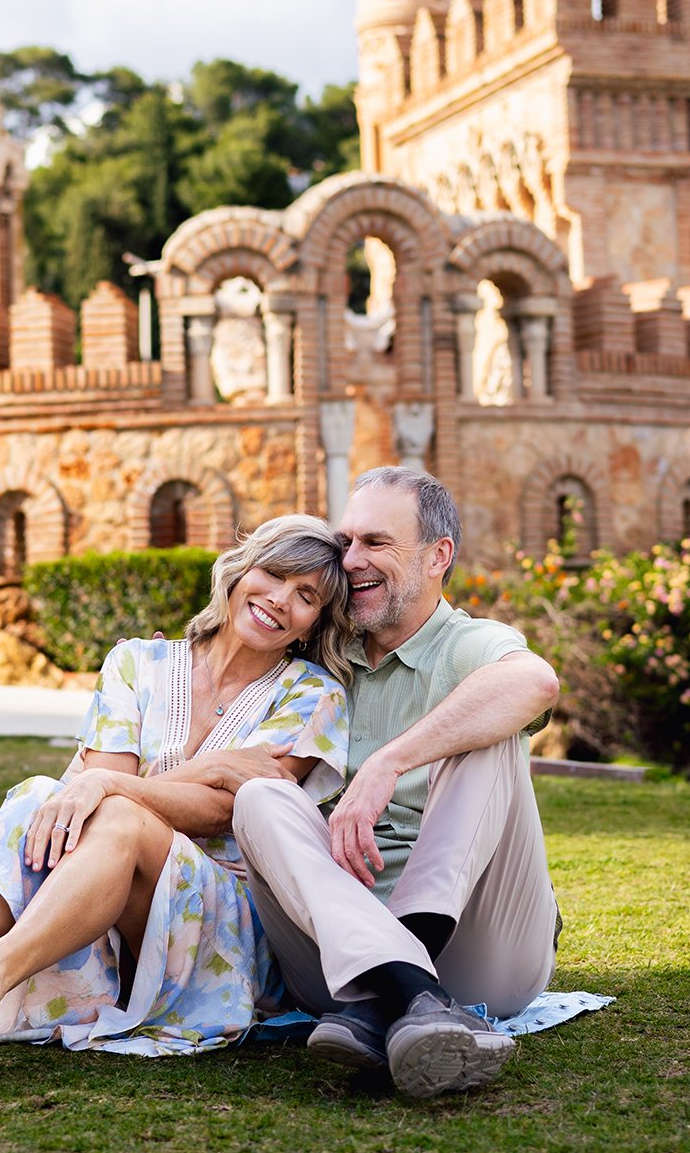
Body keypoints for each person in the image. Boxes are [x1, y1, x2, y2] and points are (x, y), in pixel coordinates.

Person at [0, 514, 352, 1083]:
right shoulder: (137, 662)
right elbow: (88, 798)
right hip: (104, 895)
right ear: (239, 569)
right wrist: (207, 768)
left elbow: (226, 811)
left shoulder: (314, 695)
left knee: (116, 812)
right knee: (40, 797)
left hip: (225, 915)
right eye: (273, 574)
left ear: (312, 625)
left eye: (305, 597)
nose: (279, 600)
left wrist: (111, 784)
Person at [232, 467, 561, 1101]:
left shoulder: (469, 645)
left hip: (477, 952)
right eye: (347, 542)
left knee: (488, 730)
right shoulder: (319, 657)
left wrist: (390, 761)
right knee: (259, 796)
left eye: (375, 543)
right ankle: (415, 1002)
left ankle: (408, 996)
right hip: (336, 964)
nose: (350, 561)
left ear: (439, 556)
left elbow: (535, 684)